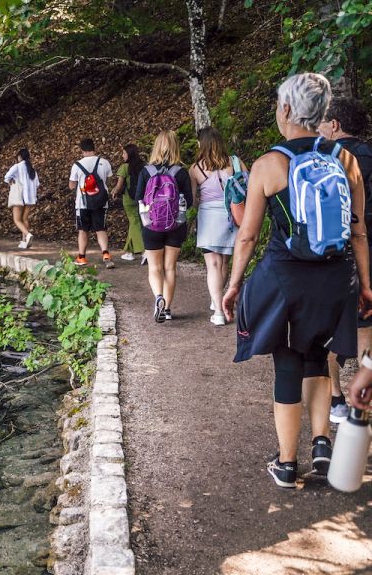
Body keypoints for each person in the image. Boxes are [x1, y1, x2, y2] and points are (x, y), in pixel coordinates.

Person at [222, 73, 372, 489]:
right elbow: (357, 231)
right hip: (336, 277)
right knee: (323, 358)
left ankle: (287, 463)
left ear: (286, 110)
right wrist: (365, 284)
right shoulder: (346, 160)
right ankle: (322, 445)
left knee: (287, 364)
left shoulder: (270, 164)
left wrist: (234, 284)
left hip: (286, 279)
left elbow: (248, 235)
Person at [319, 96, 372, 422]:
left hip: (340, 254)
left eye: (322, 123)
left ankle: (337, 400)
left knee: (325, 328)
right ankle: (363, 393)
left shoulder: (331, 160)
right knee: (367, 324)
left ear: (335, 125)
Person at [189, 127, 248, 326]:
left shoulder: (196, 168)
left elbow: (192, 200)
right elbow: (248, 185)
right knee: (223, 263)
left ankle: (219, 311)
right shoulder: (236, 162)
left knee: (212, 265)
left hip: (209, 217)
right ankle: (218, 302)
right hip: (232, 215)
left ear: (202, 144)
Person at [135, 131, 192, 322]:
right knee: (170, 268)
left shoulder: (146, 171)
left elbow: (139, 199)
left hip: (151, 226)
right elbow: (189, 202)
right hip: (175, 225)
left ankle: (158, 297)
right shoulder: (181, 172)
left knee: (154, 268)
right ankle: (167, 309)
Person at [69, 138, 114, 267]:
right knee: (101, 229)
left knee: (83, 230)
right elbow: (108, 181)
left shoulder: (77, 165)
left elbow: (72, 186)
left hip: (83, 203)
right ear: (94, 148)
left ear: (82, 150)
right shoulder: (104, 162)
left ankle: (82, 257)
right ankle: (106, 255)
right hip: (101, 201)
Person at [111, 144, 145, 264]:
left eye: (124, 153)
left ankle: (144, 251)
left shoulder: (124, 167)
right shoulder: (143, 165)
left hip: (129, 200)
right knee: (134, 222)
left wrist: (114, 192)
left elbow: (119, 186)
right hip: (141, 198)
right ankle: (129, 252)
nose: (122, 155)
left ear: (129, 154)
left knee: (134, 222)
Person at [4, 148, 39, 249]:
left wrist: (11, 180)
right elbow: (37, 184)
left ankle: (27, 235)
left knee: (17, 219)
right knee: (25, 218)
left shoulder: (17, 166)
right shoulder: (32, 169)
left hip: (19, 196)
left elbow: (6, 177)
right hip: (30, 198)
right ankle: (24, 241)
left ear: (20, 157)